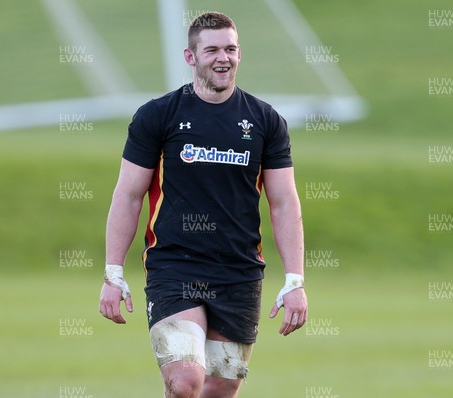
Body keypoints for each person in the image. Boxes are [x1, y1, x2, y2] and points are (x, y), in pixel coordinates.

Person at [99, 11, 307, 398]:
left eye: (230, 49)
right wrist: (113, 273)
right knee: (185, 382)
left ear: (240, 53)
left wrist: (295, 281)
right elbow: (128, 195)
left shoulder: (265, 121)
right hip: (175, 265)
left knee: (220, 387)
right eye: (211, 49)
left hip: (238, 270)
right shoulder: (158, 116)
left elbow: (283, 202)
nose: (222, 58)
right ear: (190, 56)